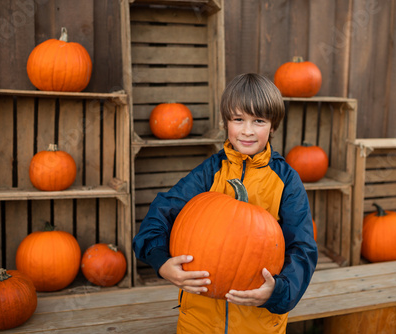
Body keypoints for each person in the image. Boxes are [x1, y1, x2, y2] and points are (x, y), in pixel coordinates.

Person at [132, 73, 318, 333]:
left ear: (273, 126)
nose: (247, 131)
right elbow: (161, 213)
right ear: (226, 121)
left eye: (259, 121)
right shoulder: (210, 172)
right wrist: (161, 262)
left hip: (258, 322)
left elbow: (302, 248)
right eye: (238, 119)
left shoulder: (286, 181)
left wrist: (277, 291)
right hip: (199, 320)